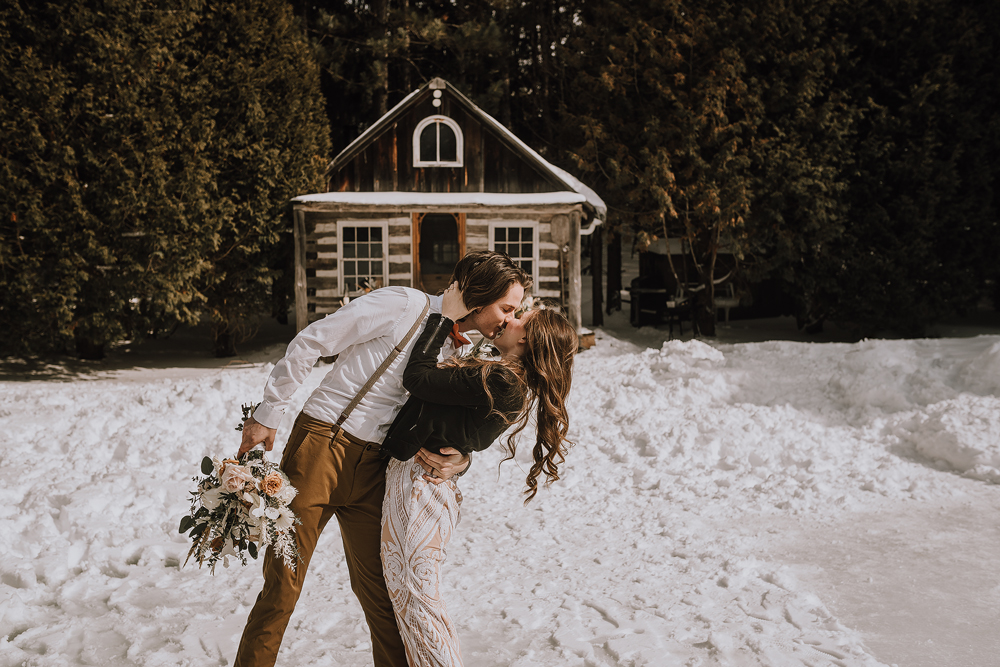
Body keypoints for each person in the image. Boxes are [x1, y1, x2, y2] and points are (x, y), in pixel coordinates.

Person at [233, 251, 531, 667]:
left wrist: (461, 461)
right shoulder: (403, 305)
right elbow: (313, 340)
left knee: (384, 596)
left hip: (378, 469)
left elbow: (455, 425)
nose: (507, 319)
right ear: (478, 296)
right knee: (282, 588)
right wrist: (269, 413)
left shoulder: (458, 350)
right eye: (506, 308)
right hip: (322, 447)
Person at [379, 283, 578, 667]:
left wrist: (443, 318)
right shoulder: (504, 375)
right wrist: (465, 456)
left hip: (422, 487)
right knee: (408, 599)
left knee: (420, 603)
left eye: (521, 319)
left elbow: (418, 378)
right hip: (420, 481)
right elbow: (471, 435)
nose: (511, 320)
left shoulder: (502, 379)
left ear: (527, 342)